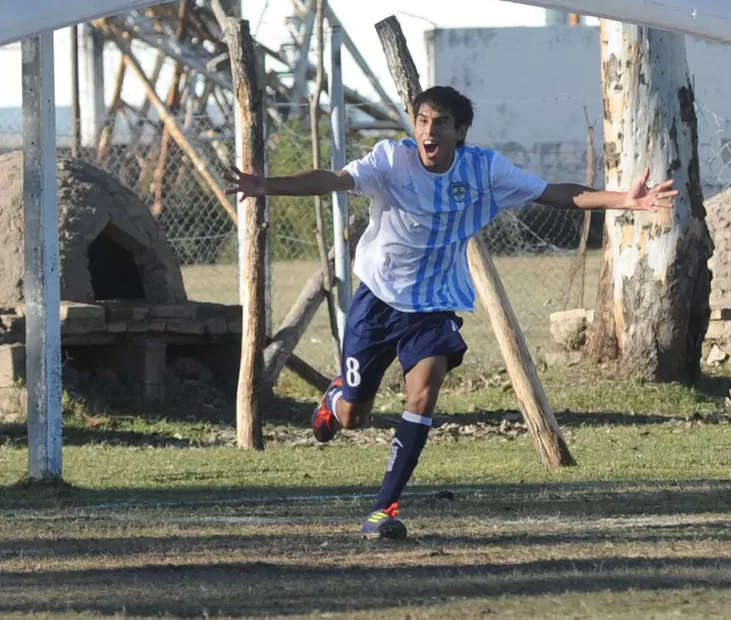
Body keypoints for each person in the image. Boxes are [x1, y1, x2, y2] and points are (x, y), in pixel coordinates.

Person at [225, 85, 678, 542]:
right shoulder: (391, 160)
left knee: (422, 395)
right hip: (378, 300)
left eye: (439, 122)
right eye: (422, 120)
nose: (428, 130)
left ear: (459, 131)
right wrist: (268, 186)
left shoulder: (485, 170)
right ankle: (335, 397)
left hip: (435, 306)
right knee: (352, 418)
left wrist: (625, 200)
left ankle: (384, 509)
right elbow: (333, 179)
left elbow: (554, 193)